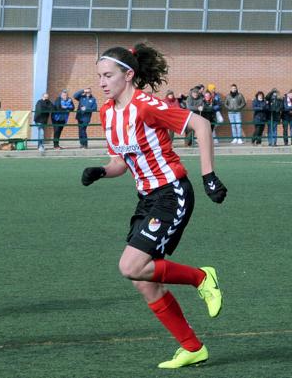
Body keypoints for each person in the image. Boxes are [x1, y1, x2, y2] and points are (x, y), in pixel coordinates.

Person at [82, 43, 226, 369]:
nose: (102, 82)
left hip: (171, 193)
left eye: (108, 75)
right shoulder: (107, 112)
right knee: (144, 281)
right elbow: (120, 161)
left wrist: (209, 176)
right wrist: (102, 171)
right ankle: (192, 347)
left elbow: (201, 125)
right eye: (99, 76)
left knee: (130, 266)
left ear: (128, 75)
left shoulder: (147, 106)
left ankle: (202, 278)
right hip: (147, 199)